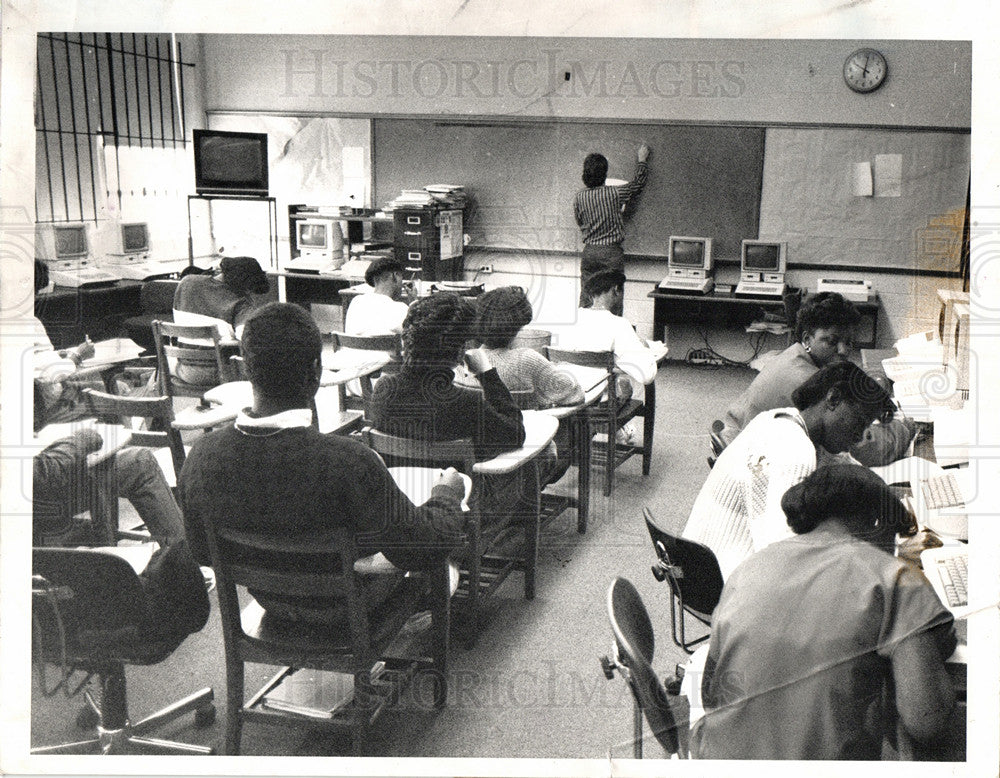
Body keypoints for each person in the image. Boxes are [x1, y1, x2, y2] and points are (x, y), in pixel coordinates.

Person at [177, 302, 466, 625]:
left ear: (246, 369)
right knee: (441, 561)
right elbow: (422, 549)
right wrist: (446, 496)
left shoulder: (201, 456)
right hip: (350, 610)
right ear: (316, 371)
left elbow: (203, 553)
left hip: (269, 603)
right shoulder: (349, 461)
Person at [691, 464, 956, 760]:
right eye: (893, 539)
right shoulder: (896, 578)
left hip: (715, 763)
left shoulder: (750, 567)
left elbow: (709, 694)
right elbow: (927, 722)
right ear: (879, 521)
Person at [683, 361, 895, 580]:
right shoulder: (795, 449)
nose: (859, 437)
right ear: (833, 399)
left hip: (696, 564)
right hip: (728, 583)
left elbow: (846, 467)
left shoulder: (779, 418)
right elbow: (783, 551)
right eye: (859, 423)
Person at [369, 292, 529, 549]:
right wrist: (487, 374)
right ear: (459, 352)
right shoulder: (466, 402)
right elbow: (516, 432)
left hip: (402, 508)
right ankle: (480, 542)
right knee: (526, 471)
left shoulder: (383, 389)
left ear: (407, 339)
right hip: (455, 510)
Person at [719, 291, 916, 465]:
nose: (844, 350)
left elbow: (847, 376)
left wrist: (874, 390)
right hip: (749, 458)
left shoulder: (796, 354)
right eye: (831, 341)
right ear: (807, 339)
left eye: (849, 342)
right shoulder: (806, 380)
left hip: (739, 434)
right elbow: (867, 450)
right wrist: (905, 427)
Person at [470, 285, 584, 484]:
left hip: (480, 463)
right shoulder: (527, 359)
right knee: (575, 421)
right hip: (528, 462)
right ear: (517, 327)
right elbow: (576, 394)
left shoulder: (467, 361)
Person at [33, 428, 186, 549]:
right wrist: (81, 438)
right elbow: (45, 472)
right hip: (36, 505)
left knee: (135, 461)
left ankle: (181, 558)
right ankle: (185, 564)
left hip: (33, 495)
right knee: (140, 462)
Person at [552, 269, 659, 399]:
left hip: (568, 396)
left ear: (590, 295)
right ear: (615, 290)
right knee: (631, 385)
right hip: (601, 402)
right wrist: (645, 349)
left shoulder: (567, 319)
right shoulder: (619, 325)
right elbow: (646, 375)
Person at [171, 255, 270, 385]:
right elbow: (248, 340)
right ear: (243, 285)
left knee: (160, 368)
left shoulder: (187, 283)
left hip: (185, 368)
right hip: (222, 373)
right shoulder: (241, 304)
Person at [574, 143, 650, 312]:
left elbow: (580, 222)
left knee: (587, 300)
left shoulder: (579, 197)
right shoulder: (614, 193)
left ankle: (582, 336)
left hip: (590, 252)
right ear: (605, 175)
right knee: (613, 302)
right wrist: (642, 160)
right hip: (610, 253)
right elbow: (638, 184)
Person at [344, 256, 409, 336]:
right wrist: (414, 303)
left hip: (353, 348)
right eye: (401, 277)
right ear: (395, 276)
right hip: (386, 348)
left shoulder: (356, 302)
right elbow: (414, 336)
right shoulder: (400, 308)